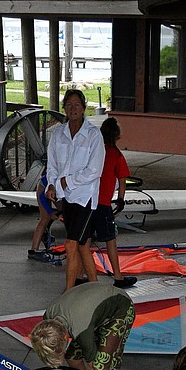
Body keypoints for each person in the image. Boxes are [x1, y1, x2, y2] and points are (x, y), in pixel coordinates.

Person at [29, 279, 135, 370]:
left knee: (100, 367)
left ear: (65, 336)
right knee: (72, 358)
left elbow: (92, 367)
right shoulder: (47, 322)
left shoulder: (81, 331)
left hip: (119, 309)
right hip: (91, 309)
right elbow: (57, 354)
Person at [45, 88, 105, 291]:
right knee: (82, 246)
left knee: (71, 245)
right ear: (64, 108)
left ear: (83, 108)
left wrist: (65, 182)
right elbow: (52, 164)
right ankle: (96, 291)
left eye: (76, 104)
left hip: (85, 197)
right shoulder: (58, 133)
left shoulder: (93, 135)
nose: (73, 108)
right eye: (69, 105)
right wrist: (52, 184)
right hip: (65, 198)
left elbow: (94, 170)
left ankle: (68, 293)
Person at [92, 117, 136, 288]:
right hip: (103, 203)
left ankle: (82, 275)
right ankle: (118, 276)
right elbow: (122, 178)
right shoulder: (115, 154)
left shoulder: (95, 150)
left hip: (88, 201)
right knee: (110, 239)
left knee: (85, 240)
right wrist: (121, 199)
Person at [27, 172, 62, 266]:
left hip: (55, 191)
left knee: (67, 213)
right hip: (43, 190)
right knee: (45, 218)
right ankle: (33, 250)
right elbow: (42, 197)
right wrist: (50, 213)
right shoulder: (52, 178)